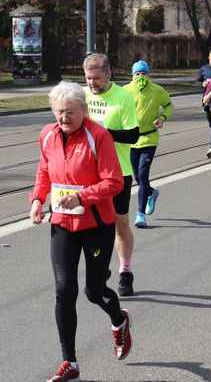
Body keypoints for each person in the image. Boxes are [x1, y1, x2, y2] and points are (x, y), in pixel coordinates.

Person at [29, 82, 132, 382]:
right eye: (59, 112)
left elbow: (115, 182)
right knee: (64, 291)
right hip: (62, 224)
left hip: (96, 226)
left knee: (94, 291)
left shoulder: (98, 136)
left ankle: (119, 321)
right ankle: (69, 362)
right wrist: (37, 199)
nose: (64, 118)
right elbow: (44, 171)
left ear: (84, 111)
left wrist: (82, 197)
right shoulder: (47, 135)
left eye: (71, 112)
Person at [82, 53, 140, 297]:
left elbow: (133, 135)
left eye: (96, 78)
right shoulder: (81, 96)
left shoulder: (122, 97)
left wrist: (104, 134)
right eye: (88, 78)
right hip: (87, 171)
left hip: (118, 172)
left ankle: (125, 271)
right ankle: (101, 266)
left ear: (109, 74)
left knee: (119, 224)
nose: (92, 83)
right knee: (91, 226)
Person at [123, 60, 174, 228]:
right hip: (131, 140)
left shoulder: (157, 90)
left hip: (149, 138)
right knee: (137, 177)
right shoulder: (125, 91)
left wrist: (163, 118)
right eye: (137, 74)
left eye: (144, 73)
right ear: (132, 76)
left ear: (149, 75)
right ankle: (151, 192)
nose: (140, 77)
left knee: (143, 176)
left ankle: (140, 214)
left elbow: (168, 106)